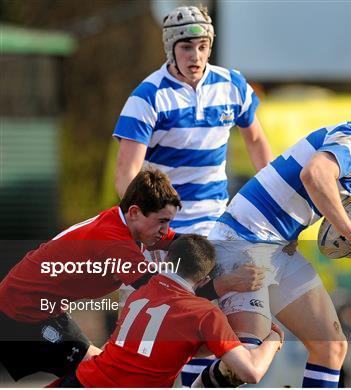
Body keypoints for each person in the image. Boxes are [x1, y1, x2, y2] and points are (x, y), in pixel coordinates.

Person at [200, 89, 351, 387]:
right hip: (242, 241)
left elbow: (329, 229)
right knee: (247, 359)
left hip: (278, 248)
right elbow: (314, 174)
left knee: (332, 346)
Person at [112, 5, 273, 384]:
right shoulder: (148, 96)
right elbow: (126, 174)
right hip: (170, 231)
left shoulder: (232, 85)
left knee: (221, 325)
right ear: (171, 48)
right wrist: (144, 229)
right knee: (178, 327)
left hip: (219, 225)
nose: (196, 56)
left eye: (203, 46)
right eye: (187, 47)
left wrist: (270, 204)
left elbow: (258, 143)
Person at [0, 168, 180, 381]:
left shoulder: (132, 225)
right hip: (19, 312)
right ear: (134, 212)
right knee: (102, 374)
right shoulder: (113, 241)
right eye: (162, 221)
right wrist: (214, 291)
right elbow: (157, 290)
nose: (165, 229)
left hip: (45, 309)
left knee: (98, 373)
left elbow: (182, 244)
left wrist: (216, 253)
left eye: (168, 222)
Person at [56, 235, 283, 387]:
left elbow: (162, 343)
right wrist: (273, 339)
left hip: (82, 380)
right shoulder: (204, 313)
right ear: (204, 280)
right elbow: (251, 372)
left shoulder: (139, 294)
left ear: (167, 261)